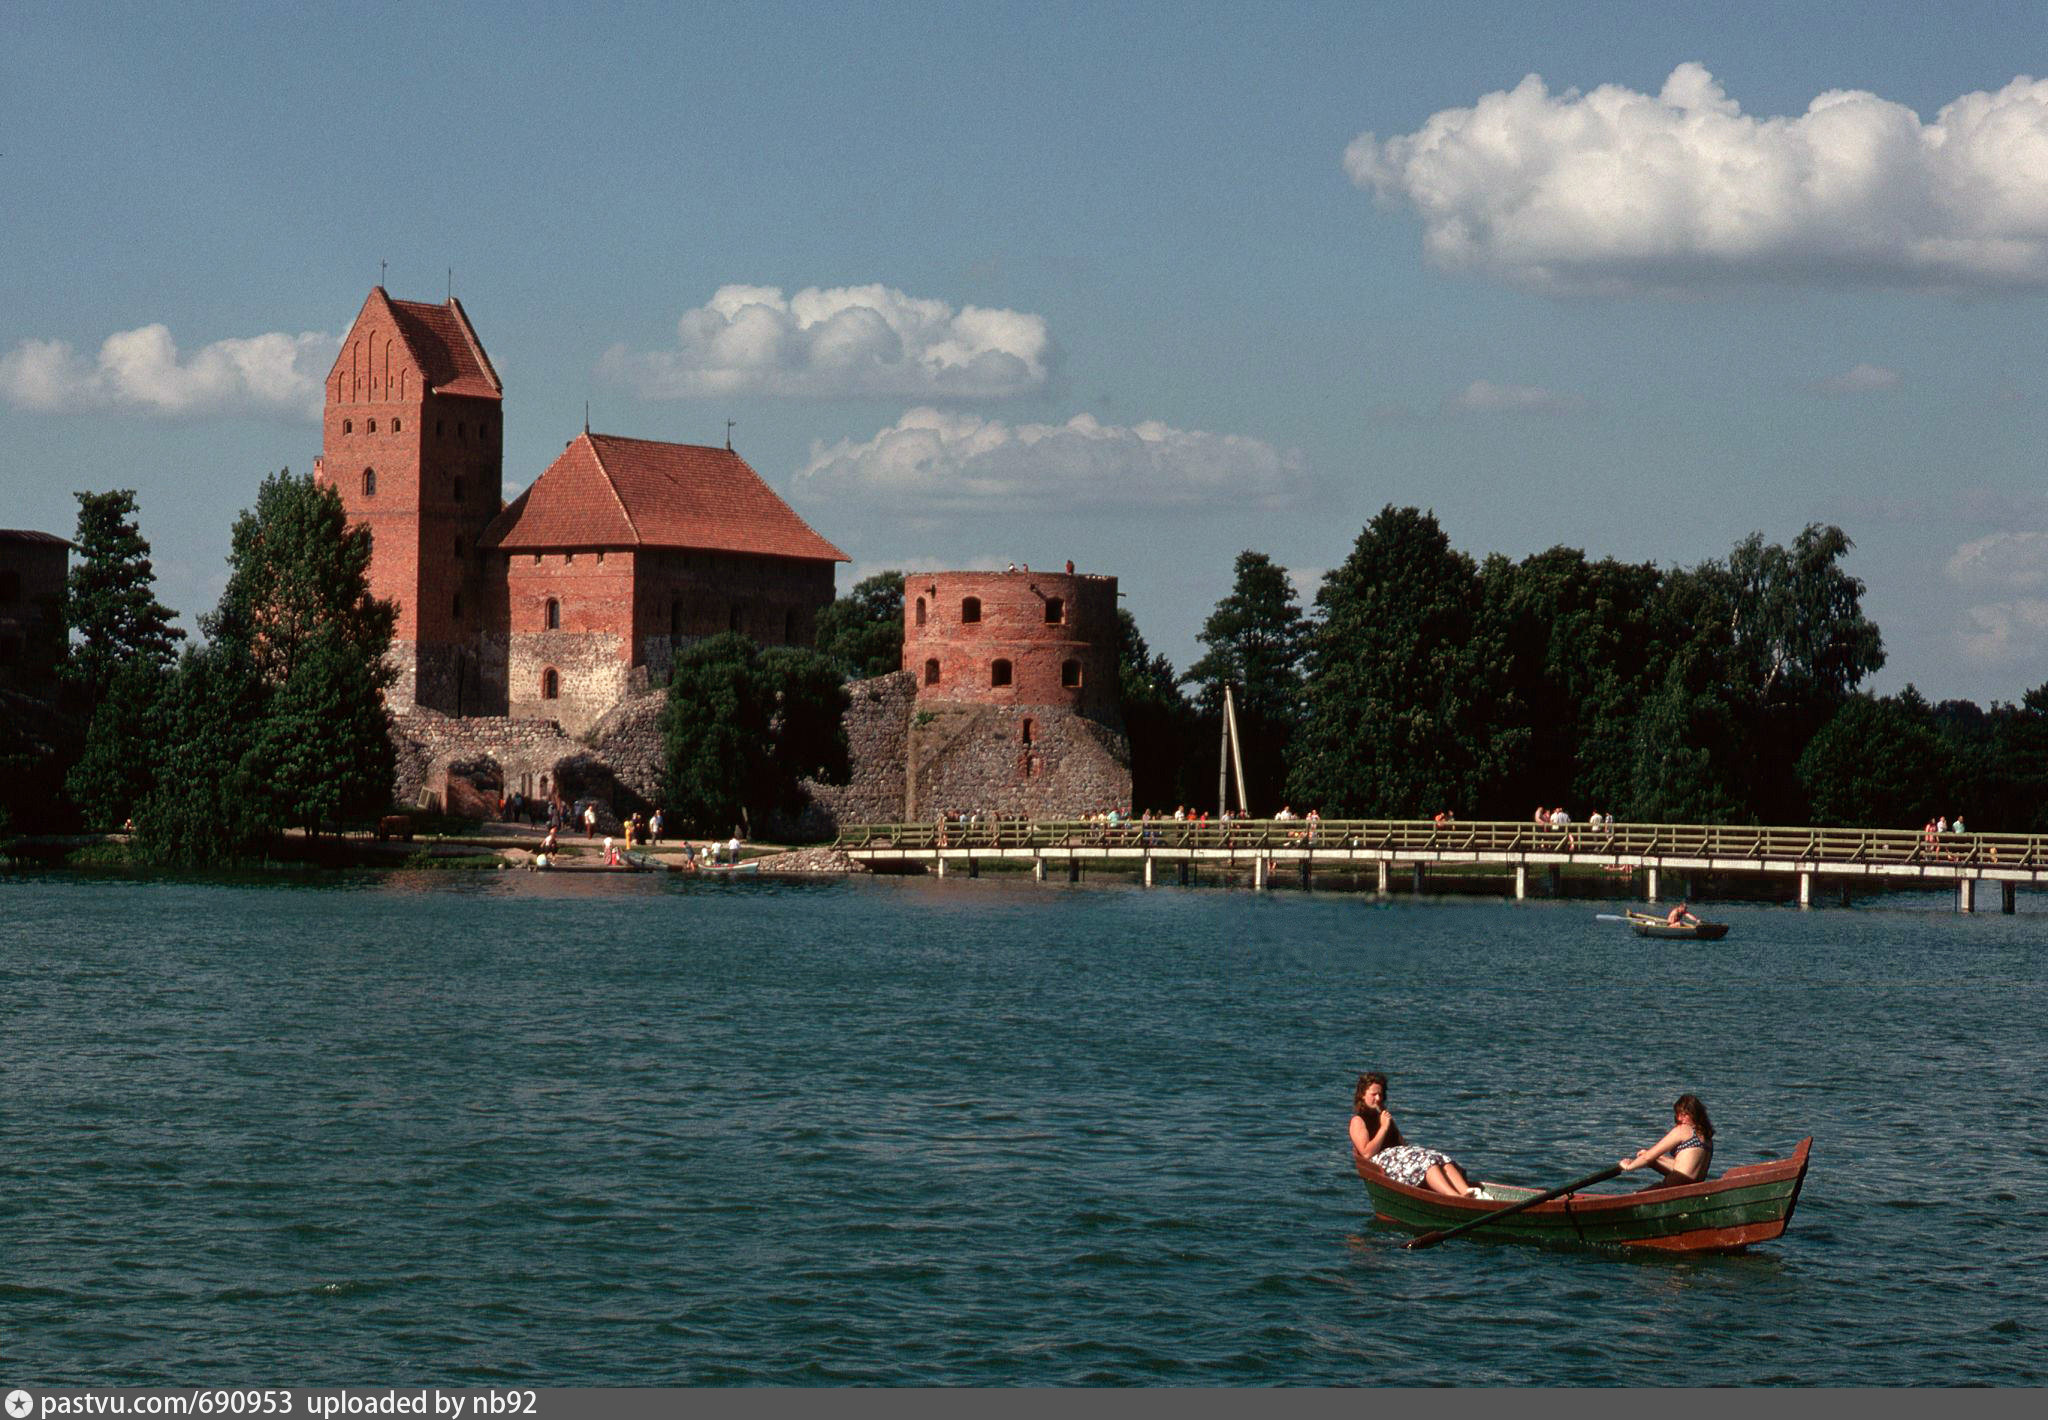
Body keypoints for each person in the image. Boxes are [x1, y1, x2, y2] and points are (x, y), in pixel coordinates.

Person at [1349, 1072, 1480, 1198]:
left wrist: (1409, 1150)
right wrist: (1383, 1127)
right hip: (1382, 1161)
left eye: (1380, 1094)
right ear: (1362, 1095)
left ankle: (1467, 1192)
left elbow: (1401, 1143)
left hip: (1398, 1155)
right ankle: (1453, 1196)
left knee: (1438, 1157)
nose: (1378, 1098)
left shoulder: (1384, 1116)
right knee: (1426, 1162)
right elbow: (1366, 1153)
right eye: (1374, 1094)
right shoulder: (1358, 1121)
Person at [1621, 1094, 1715, 1185]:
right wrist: (1657, 1158)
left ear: (1695, 1114)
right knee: (1650, 1158)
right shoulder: (1707, 1138)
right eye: (1678, 1114)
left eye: (1684, 1115)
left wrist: (1629, 1167)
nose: (1679, 1118)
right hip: (1695, 1187)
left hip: (1676, 1183)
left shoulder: (1683, 1129)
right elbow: (1682, 1168)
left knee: (1636, 1195)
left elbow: (1648, 1157)